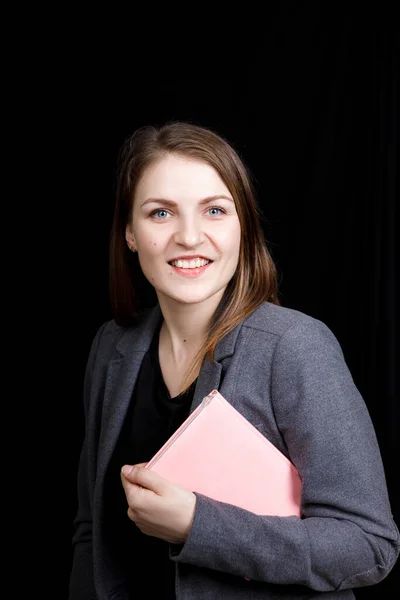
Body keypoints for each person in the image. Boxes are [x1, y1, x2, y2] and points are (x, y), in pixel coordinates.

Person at [69, 121, 399, 600]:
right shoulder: (112, 346)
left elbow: (369, 546)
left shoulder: (294, 348)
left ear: (242, 226)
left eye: (214, 210)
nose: (188, 236)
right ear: (130, 233)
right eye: (161, 213)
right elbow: (90, 531)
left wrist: (197, 525)